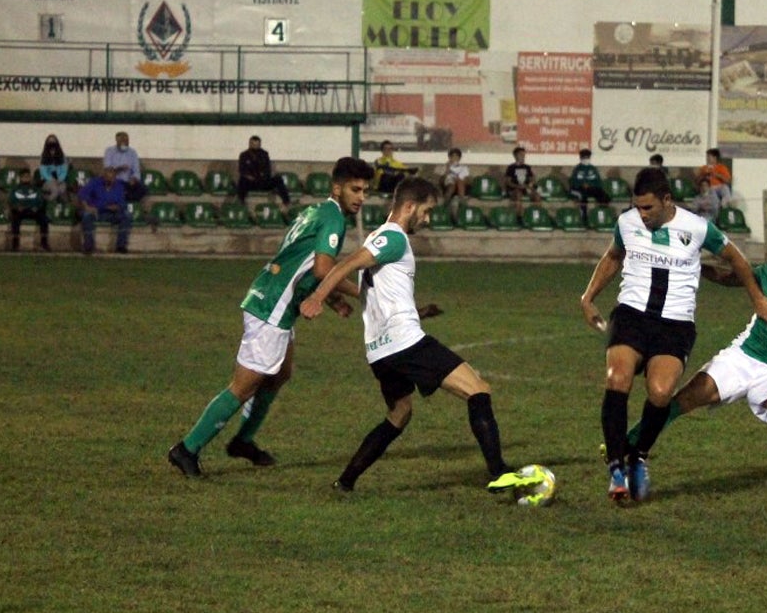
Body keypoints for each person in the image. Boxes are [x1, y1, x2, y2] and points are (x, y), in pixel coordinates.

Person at [299, 176, 530, 495]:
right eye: (426, 211)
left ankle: (346, 481)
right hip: (405, 344)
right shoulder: (393, 237)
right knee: (478, 390)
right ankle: (499, 472)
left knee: (400, 413)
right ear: (409, 206)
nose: (428, 218)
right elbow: (344, 265)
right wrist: (317, 297)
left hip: (380, 353)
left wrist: (417, 311)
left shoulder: (382, 237)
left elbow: (380, 292)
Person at [579, 167, 767, 503]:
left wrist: (758, 300)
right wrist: (587, 298)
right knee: (618, 378)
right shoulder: (627, 223)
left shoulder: (698, 228)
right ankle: (616, 468)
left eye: (648, 208)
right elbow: (613, 256)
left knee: (660, 393)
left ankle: (638, 456)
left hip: (675, 323)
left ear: (667, 200)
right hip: (631, 314)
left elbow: (737, 259)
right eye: (637, 207)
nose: (641, 215)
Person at [622, 228, 767, 508]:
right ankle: (629, 443)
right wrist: (692, 263)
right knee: (685, 398)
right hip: (743, 357)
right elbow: (728, 276)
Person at [167, 157, 376, 478]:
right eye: (355, 189)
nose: (361, 197)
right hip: (272, 308)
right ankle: (187, 448)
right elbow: (322, 269)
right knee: (243, 386)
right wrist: (360, 290)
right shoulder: (333, 219)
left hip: (274, 299)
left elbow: (302, 264)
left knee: (279, 374)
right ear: (337, 188)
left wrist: (332, 300)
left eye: (365, 191)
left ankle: (243, 441)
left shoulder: (315, 211)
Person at [76, 166, 132, 254]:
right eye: (108, 178)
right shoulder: (95, 182)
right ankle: (89, 246)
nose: (111, 180)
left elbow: (121, 203)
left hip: (112, 213)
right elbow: (82, 194)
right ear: (104, 177)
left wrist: (116, 207)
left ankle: (121, 246)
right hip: (96, 212)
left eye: (112, 178)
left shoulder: (119, 186)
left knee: (127, 215)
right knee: (86, 216)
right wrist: (87, 207)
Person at [236, 135, 291, 214]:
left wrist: (263, 176)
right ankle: (241, 202)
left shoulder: (264, 154)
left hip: (263, 182)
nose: (255, 147)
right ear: (250, 144)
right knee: (242, 180)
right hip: (250, 183)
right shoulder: (244, 155)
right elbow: (242, 170)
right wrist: (249, 176)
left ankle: (286, 202)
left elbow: (267, 169)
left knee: (278, 179)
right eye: (253, 145)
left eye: (257, 145)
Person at [8, 167, 49, 252]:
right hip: (20, 211)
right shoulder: (15, 189)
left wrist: (36, 207)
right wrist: (17, 207)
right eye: (24, 176)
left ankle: (44, 243)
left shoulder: (35, 189)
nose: (26, 178)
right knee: (15, 219)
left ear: (30, 177)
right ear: (20, 178)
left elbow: (40, 201)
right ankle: (15, 244)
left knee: (44, 219)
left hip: (33, 211)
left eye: (28, 176)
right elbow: (11, 201)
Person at [103, 131, 148, 203]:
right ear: (117, 141)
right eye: (122, 141)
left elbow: (136, 171)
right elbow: (107, 170)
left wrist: (134, 178)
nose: (125, 142)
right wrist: (119, 169)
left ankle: (126, 200)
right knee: (109, 187)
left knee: (143, 189)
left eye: (127, 141)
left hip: (128, 182)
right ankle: (122, 200)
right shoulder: (109, 151)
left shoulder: (133, 152)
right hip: (114, 181)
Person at [568, 148, 610, 224]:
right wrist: (582, 184)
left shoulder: (593, 169)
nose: (586, 159)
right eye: (584, 158)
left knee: (603, 195)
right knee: (582, 197)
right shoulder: (577, 169)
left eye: (587, 157)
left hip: (590, 189)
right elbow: (573, 182)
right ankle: (584, 217)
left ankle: (603, 215)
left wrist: (590, 185)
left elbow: (598, 182)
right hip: (579, 189)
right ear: (581, 158)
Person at [503, 146, 543, 216]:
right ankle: (519, 216)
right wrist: (518, 186)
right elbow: (508, 182)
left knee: (537, 196)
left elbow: (532, 179)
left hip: (526, 188)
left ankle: (536, 216)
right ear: (515, 156)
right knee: (518, 194)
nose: (523, 157)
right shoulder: (511, 168)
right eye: (521, 155)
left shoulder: (527, 167)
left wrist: (529, 185)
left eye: (524, 155)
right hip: (515, 189)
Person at [438, 147, 470, 220]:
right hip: (449, 183)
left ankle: (462, 200)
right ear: (449, 157)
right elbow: (442, 179)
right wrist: (447, 169)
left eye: (457, 157)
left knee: (459, 182)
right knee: (452, 185)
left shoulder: (463, 167)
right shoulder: (445, 166)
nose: (455, 158)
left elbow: (466, 179)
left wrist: (459, 179)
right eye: (453, 157)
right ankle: (446, 202)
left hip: (460, 184)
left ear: (459, 158)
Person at [38, 133, 70, 204]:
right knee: (55, 189)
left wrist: (60, 179)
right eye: (50, 142)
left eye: (53, 142)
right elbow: (43, 171)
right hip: (47, 180)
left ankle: (61, 208)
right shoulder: (43, 156)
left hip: (60, 180)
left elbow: (64, 170)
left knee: (62, 188)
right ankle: (49, 204)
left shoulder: (62, 155)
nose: (52, 144)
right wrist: (52, 180)